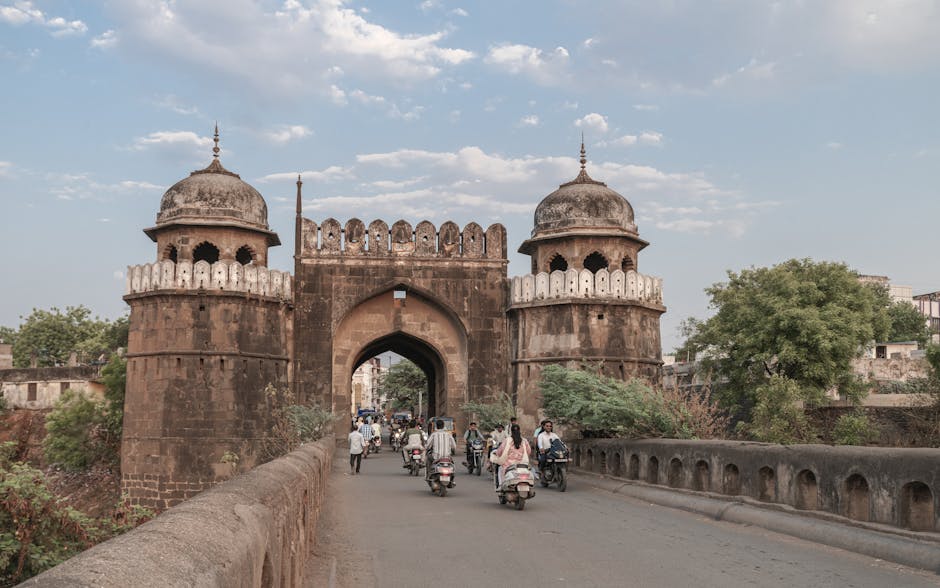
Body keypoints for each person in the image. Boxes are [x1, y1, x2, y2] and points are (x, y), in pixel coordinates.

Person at [491, 424, 531, 489]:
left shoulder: (507, 440)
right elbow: (529, 452)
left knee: (500, 468)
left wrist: (497, 454)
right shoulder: (524, 441)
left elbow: (499, 452)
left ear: (511, 431)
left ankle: (501, 486)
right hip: (522, 464)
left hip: (509, 465)